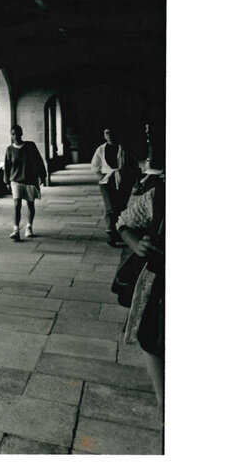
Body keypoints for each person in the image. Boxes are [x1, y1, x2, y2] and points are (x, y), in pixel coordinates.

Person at [116, 147, 165, 413]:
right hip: (160, 290)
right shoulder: (158, 198)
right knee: (154, 338)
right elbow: (124, 221)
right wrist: (136, 244)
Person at [91, 127, 137, 246]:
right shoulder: (101, 149)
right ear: (104, 135)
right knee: (110, 207)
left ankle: (120, 232)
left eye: (112, 133)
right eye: (107, 133)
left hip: (124, 180)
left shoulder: (124, 148)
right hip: (107, 181)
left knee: (121, 207)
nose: (109, 135)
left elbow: (134, 164)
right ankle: (111, 233)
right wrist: (102, 176)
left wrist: (135, 180)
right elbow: (95, 165)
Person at [4, 125, 47, 241]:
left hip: (30, 180)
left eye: (17, 133)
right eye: (13, 134)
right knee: (16, 205)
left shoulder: (30, 146)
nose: (15, 136)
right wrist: (7, 181)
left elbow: (38, 160)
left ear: (21, 133)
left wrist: (42, 175)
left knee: (30, 204)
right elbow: (7, 167)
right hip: (16, 180)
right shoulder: (9, 150)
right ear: (11, 135)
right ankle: (16, 230)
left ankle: (29, 227)